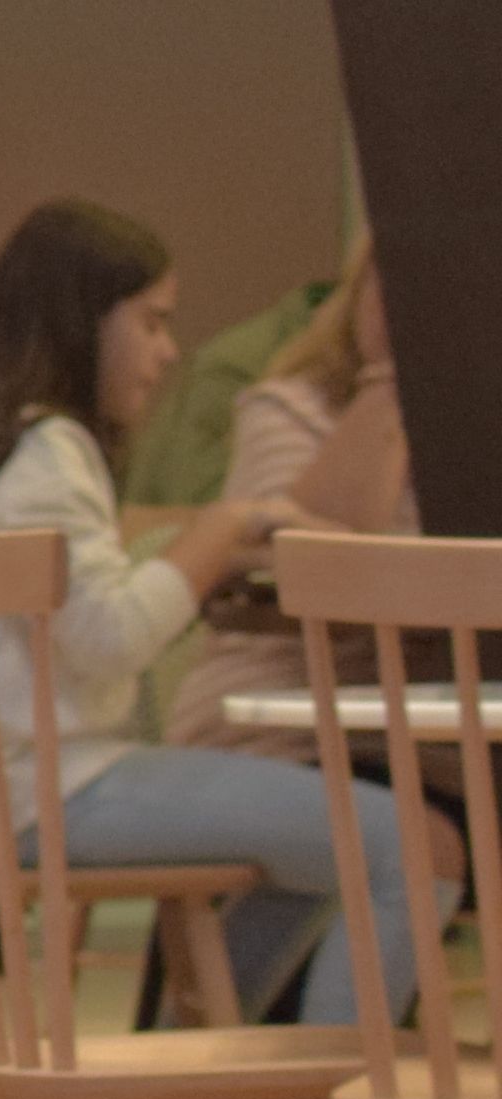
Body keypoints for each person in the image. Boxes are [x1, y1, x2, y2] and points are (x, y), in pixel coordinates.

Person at [0, 202, 444, 1099]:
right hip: (56, 787)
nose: (168, 350)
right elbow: (112, 638)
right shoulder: (51, 451)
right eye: (150, 321)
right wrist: (223, 527)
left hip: (3, 787)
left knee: (327, 856)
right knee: (412, 847)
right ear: (85, 320)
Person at [171, 239, 408, 755]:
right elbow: (316, 574)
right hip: (278, 723)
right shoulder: (286, 411)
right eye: (383, 274)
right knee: (428, 832)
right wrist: (395, 381)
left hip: (429, 734)